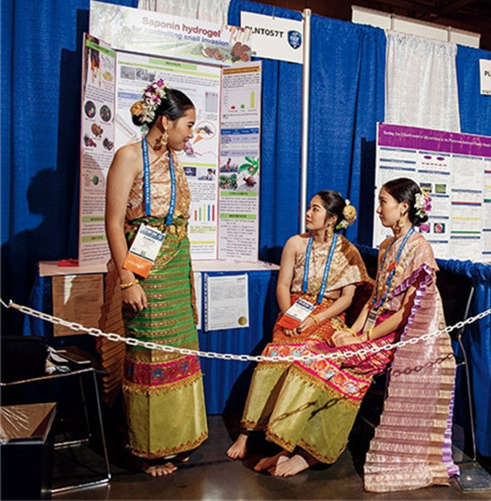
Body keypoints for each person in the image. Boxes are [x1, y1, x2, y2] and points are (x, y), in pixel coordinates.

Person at [231, 178, 456, 492]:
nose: (378, 209)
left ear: (404, 207)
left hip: (394, 337)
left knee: (325, 367)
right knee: (309, 358)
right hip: (371, 328)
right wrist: (351, 331)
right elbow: (375, 299)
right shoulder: (387, 246)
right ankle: (286, 446)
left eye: (383, 202)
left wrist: (363, 338)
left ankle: (310, 454)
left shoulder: (421, 249)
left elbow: (403, 314)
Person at [101, 80, 207, 476]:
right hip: (144, 270)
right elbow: (114, 223)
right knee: (148, 353)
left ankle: (180, 438)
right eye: (188, 125)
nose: (191, 134)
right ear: (165, 121)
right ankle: (148, 449)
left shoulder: (173, 159)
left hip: (176, 268)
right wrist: (128, 280)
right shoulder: (128, 156)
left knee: (179, 352)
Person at [225, 190, 369, 460]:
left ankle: (287, 436)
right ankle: (247, 432)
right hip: (293, 309)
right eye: (309, 207)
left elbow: (347, 299)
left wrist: (315, 319)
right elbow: (282, 285)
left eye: (315, 209)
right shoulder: (295, 243)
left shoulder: (348, 252)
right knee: (273, 355)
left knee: (307, 356)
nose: (308, 213)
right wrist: (288, 316)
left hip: (327, 315)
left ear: (332, 219)